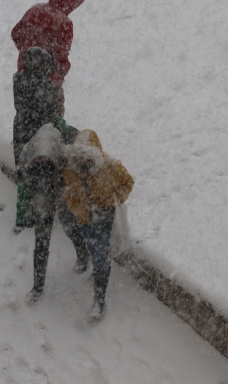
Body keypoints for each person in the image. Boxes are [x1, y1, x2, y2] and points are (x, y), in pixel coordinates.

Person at [62, 130, 134, 319]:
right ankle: (99, 269)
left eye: (87, 157)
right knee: (93, 248)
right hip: (84, 220)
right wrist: (76, 206)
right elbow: (68, 191)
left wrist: (114, 198)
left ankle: (99, 300)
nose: (83, 162)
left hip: (104, 218)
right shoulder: (70, 169)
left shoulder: (110, 166)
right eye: (80, 157)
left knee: (101, 253)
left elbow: (128, 182)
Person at [17, 124, 90, 306]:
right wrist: (32, 205)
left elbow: (77, 165)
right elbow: (22, 177)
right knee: (41, 240)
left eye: (46, 161)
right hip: (43, 193)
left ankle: (82, 255)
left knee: (69, 226)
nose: (43, 162)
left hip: (61, 188)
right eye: (40, 160)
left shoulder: (64, 148)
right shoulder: (29, 154)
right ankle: (38, 286)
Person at [12, 47, 77, 232]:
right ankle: (44, 210)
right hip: (39, 135)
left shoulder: (17, 79)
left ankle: (22, 217)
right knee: (45, 171)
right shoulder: (45, 85)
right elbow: (47, 112)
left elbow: (23, 106)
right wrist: (62, 125)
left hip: (20, 129)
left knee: (23, 173)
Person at [11, 0, 87, 117]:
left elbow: (15, 33)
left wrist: (28, 55)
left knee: (25, 117)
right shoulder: (64, 23)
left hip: (23, 75)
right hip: (48, 82)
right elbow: (60, 55)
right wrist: (62, 69)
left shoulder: (35, 10)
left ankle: (22, 138)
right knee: (53, 121)